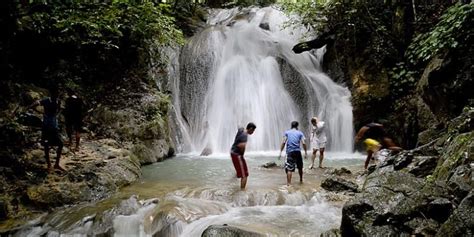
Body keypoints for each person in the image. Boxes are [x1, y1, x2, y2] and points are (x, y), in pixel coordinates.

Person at [30, 86, 65, 172]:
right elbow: (33, 105)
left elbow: (60, 109)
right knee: (46, 144)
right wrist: (41, 112)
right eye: (56, 93)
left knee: (60, 144)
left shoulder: (58, 101)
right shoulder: (46, 100)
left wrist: (56, 114)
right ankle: (49, 164)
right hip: (46, 125)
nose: (57, 94)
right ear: (53, 93)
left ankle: (56, 164)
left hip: (54, 125)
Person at [279, 121, 308, 186]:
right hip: (298, 151)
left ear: (291, 126)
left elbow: (284, 142)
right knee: (300, 167)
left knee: (289, 168)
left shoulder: (287, 132)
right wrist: (306, 152)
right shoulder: (300, 133)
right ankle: (301, 180)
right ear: (297, 126)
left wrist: (280, 152)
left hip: (290, 152)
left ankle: (289, 184)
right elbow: (303, 143)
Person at [230, 122, 256, 190]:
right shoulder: (244, 135)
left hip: (232, 152)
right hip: (237, 154)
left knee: (241, 170)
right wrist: (242, 154)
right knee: (245, 175)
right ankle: (242, 191)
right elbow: (241, 146)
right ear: (250, 129)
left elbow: (239, 127)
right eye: (253, 130)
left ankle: (231, 181)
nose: (253, 132)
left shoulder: (241, 130)